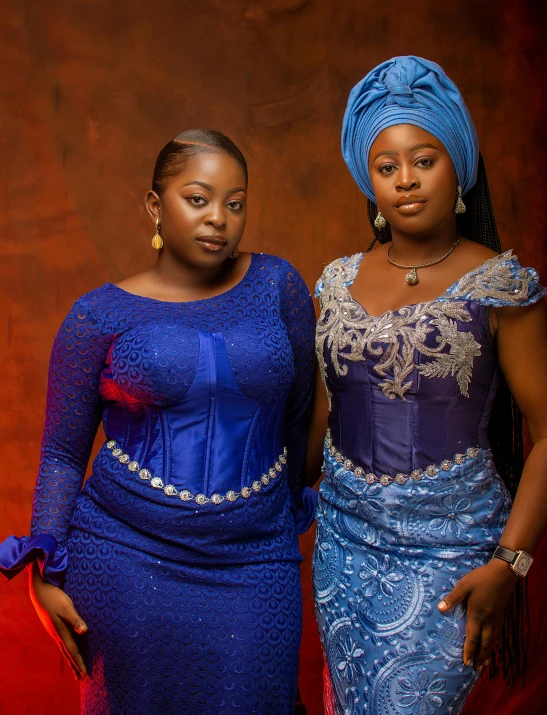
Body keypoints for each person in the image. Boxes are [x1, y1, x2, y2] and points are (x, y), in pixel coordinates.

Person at [0, 129, 317, 714]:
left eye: (235, 202)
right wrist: (42, 571)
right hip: (126, 559)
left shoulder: (279, 286)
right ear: (155, 207)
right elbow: (64, 454)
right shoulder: (98, 315)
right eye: (197, 199)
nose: (218, 218)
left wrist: (277, 507)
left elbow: (301, 412)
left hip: (255, 558)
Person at [311, 56, 547, 714]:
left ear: (457, 166)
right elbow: (319, 418)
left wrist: (511, 563)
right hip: (341, 548)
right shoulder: (336, 280)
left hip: (450, 556)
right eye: (386, 165)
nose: (405, 180)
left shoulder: (499, 284)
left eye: (423, 159)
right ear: (368, 179)